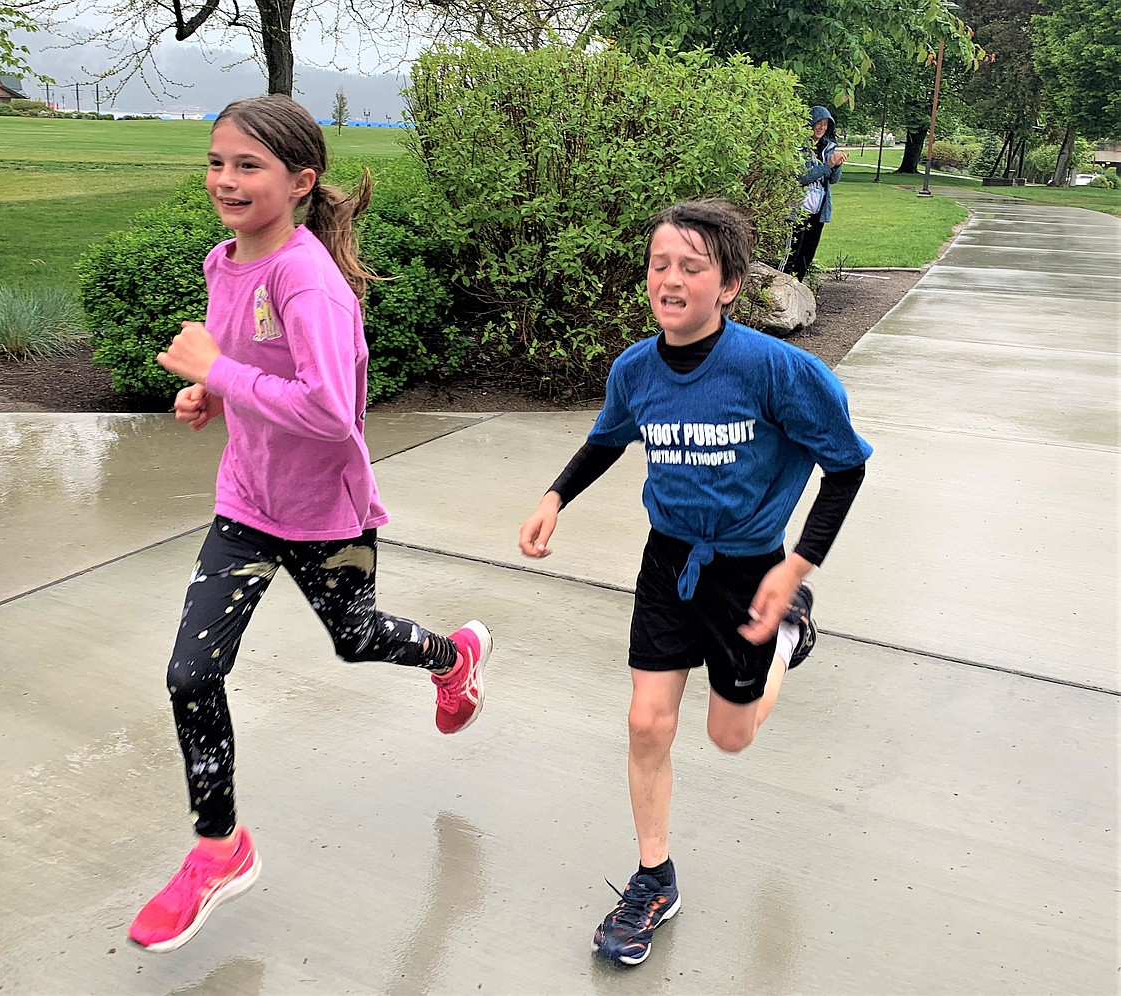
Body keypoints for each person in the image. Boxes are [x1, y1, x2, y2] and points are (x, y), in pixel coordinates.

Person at [127, 94, 491, 953]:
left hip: (326, 512)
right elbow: (250, 371)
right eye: (217, 162)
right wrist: (207, 393)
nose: (226, 180)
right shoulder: (227, 264)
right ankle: (220, 849)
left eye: (247, 166)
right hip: (247, 506)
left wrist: (220, 369)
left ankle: (455, 655)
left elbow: (331, 412)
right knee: (190, 674)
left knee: (356, 638)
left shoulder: (308, 281)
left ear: (300, 181)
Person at [518, 198, 870, 967]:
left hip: (751, 570)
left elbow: (846, 464)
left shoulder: (773, 370)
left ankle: (785, 633)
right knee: (647, 724)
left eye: (691, 267)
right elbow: (608, 438)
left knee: (730, 734)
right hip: (669, 562)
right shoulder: (635, 370)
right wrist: (554, 497)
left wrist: (795, 567)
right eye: (658, 264)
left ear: (731, 285)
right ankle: (654, 878)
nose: (669, 280)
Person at [783, 105, 848, 282]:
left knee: (806, 257)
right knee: (790, 255)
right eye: (818, 123)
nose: (821, 128)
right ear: (809, 124)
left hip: (817, 211)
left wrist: (837, 164)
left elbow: (833, 180)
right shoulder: (798, 147)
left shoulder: (828, 148)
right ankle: (783, 291)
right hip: (797, 211)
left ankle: (799, 289)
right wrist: (826, 167)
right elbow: (800, 177)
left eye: (825, 124)